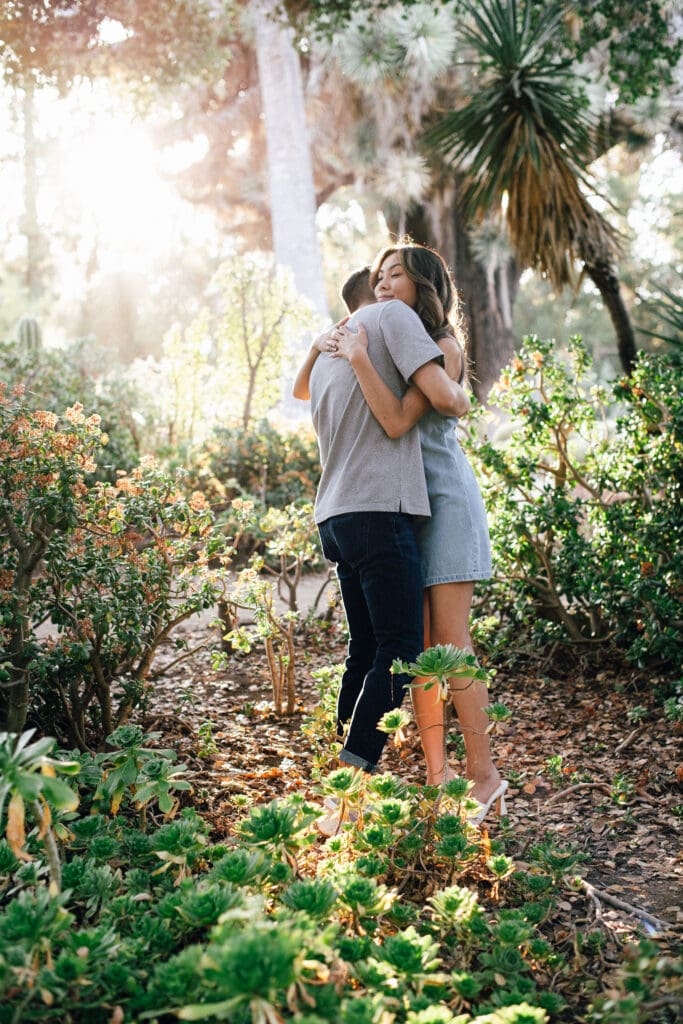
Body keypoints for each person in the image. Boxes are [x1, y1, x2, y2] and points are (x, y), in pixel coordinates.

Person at [329, 243, 506, 823]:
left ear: (425, 285)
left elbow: (400, 419)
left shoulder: (441, 347)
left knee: (452, 644)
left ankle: (485, 776)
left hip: (444, 501)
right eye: (378, 276)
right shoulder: (395, 342)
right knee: (422, 652)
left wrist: (358, 358)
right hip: (405, 508)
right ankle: (438, 777)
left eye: (396, 275)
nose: (381, 285)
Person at [293, 264, 470, 800]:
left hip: (334, 515)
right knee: (400, 648)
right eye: (384, 278)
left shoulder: (331, 346)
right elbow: (423, 409)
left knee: (365, 647)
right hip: (379, 510)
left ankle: (336, 754)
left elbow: (300, 391)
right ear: (375, 295)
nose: (389, 287)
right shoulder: (392, 317)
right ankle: (352, 776)